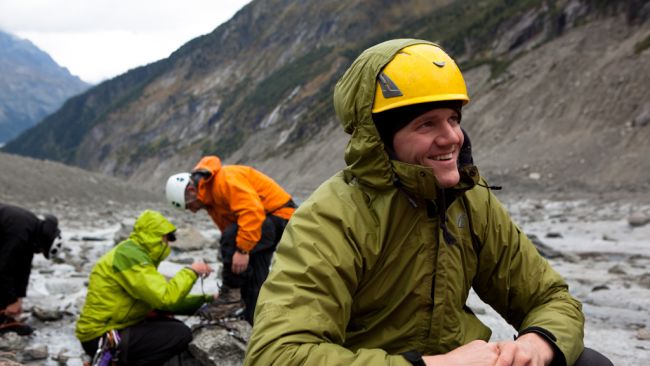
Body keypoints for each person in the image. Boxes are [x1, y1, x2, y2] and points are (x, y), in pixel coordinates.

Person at [244, 39, 613, 366]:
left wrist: (538, 342)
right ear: (380, 139)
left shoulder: (471, 198)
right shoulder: (332, 217)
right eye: (427, 124)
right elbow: (276, 354)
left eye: (453, 118)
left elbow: (549, 297)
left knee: (586, 362)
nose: (451, 137)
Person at [166, 155, 296, 325]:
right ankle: (254, 320)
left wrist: (242, 250)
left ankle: (230, 297)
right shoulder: (211, 202)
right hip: (265, 223)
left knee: (232, 239)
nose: (192, 211)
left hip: (279, 216)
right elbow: (230, 229)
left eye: (189, 205)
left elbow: (251, 212)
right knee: (255, 276)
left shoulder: (225, 179)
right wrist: (239, 254)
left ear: (191, 191)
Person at [75, 209, 215, 365]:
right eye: (167, 239)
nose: (168, 244)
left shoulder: (136, 255)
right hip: (101, 336)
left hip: (115, 326)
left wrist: (208, 301)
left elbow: (160, 304)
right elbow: (166, 298)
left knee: (172, 325)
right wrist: (192, 271)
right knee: (179, 334)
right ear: (157, 237)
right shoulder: (129, 256)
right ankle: (111, 361)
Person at [0, 203, 62, 336]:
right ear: (45, 242)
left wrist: (18, 297)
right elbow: (4, 269)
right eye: (41, 251)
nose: (39, 252)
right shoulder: (20, 232)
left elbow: (23, 268)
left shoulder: (32, 228)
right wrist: (11, 301)